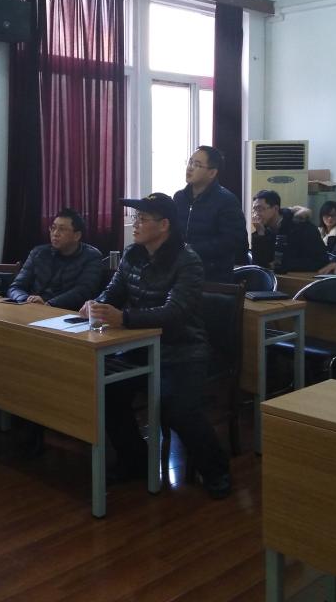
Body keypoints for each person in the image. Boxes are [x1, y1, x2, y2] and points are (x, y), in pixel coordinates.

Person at [81, 193, 230, 499]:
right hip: (140, 347)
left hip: (182, 350)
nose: (135, 224)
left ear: (164, 225)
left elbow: (175, 314)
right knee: (107, 391)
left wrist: (124, 318)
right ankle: (135, 459)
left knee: (177, 408)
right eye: (135, 218)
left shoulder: (187, 260)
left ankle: (216, 470)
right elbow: (113, 292)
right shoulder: (132, 254)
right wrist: (96, 305)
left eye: (142, 219)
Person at [172, 146, 248, 282]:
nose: (190, 168)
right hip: (181, 272)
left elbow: (233, 241)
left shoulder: (227, 201)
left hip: (213, 277)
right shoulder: (179, 198)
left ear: (212, 173)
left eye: (197, 165)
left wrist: (191, 249)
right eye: (190, 162)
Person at [6, 208, 103, 310]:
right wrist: (25, 300)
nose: (55, 233)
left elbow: (83, 291)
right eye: (53, 228)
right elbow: (15, 287)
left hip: (63, 312)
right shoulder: (38, 253)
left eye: (62, 229)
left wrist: (48, 304)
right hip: (31, 308)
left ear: (77, 235)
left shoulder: (91, 256)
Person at [250, 190, 328, 272]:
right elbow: (259, 265)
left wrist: (283, 264)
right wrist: (260, 234)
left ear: (275, 208)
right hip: (277, 277)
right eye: (254, 209)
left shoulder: (301, 226)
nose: (256, 214)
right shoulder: (264, 229)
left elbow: (320, 261)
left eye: (259, 209)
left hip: (302, 277)